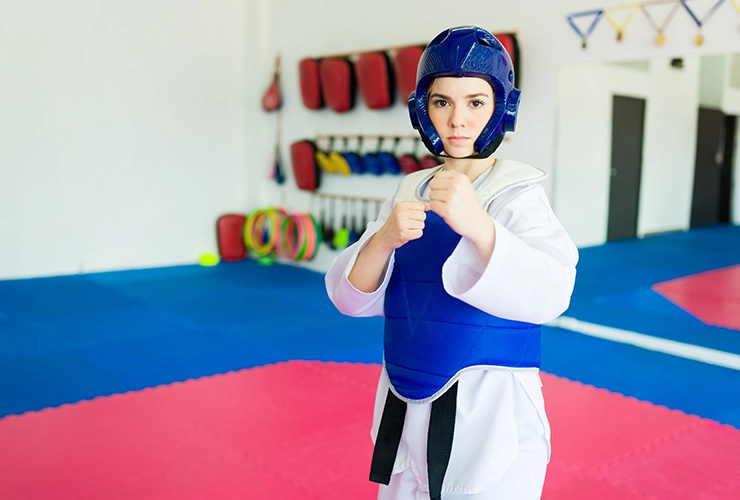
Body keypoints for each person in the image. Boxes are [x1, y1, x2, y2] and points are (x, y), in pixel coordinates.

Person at [325, 26, 578, 500]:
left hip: (490, 412)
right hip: (402, 403)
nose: (457, 119)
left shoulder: (518, 195)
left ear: (500, 107)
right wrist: (382, 240)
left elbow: (553, 292)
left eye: (476, 102)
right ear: (423, 108)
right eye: (443, 102)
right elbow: (348, 298)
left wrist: (480, 227)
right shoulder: (407, 190)